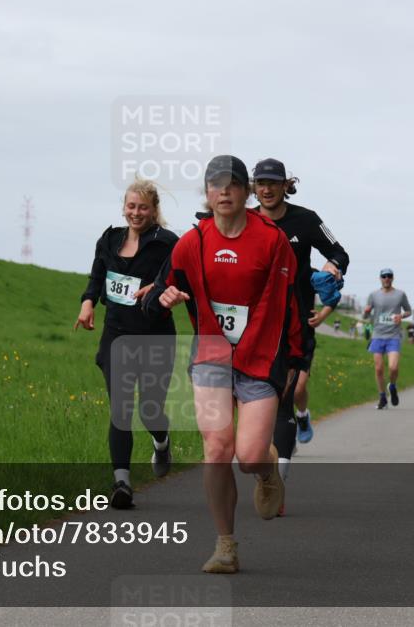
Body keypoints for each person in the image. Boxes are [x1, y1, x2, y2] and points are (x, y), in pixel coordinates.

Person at [144, 155, 302, 574]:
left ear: (247, 192)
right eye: (216, 185)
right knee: (216, 450)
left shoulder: (272, 241)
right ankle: (225, 545)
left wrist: (297, 359)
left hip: (260, 357)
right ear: (207, 193)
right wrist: (163, 298)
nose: (224, 191)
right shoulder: (192, 242)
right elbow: (158, 292)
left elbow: (290, 305)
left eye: (233, 184)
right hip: (212, 357)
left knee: (248, 456)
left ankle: (267, 471)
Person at [250, 157, 350, 497]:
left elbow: (339, 252)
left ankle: (278, 480)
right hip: (256, 325)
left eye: (272, 183)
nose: (266, 189)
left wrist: (332, 266)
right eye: (260, 183)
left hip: (297, 321)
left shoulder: (305, 220)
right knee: (258, 400)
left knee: (286, 397)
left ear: (284, 185)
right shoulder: (245, 221)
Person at [76, 177, 178, 509]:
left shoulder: (167, 244)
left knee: (150, 409)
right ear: (124, 207)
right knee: (121, 409)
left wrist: (160, 287)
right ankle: (122, 483)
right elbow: (97, 276)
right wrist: (88, 302)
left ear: (154, 210)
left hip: (154, 337)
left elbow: (180, 277)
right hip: (117, 335)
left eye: (143, 207)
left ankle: (161, 442)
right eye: (131, 206)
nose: (136, 213)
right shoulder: (109, 239)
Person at [363, 269, 411, 409]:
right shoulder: (373, 295)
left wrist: (401, 316)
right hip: (377, 335)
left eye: (389, 276)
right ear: (380, 278)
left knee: (393, 367)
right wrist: (366, 312)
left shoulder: (400, 294)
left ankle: (393, 386)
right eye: (384, 276)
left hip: (393, 336)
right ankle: (382, 397)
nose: (386, 279)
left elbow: (409, 311)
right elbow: (365, 317)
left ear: (393, 278)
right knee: (378, 369)